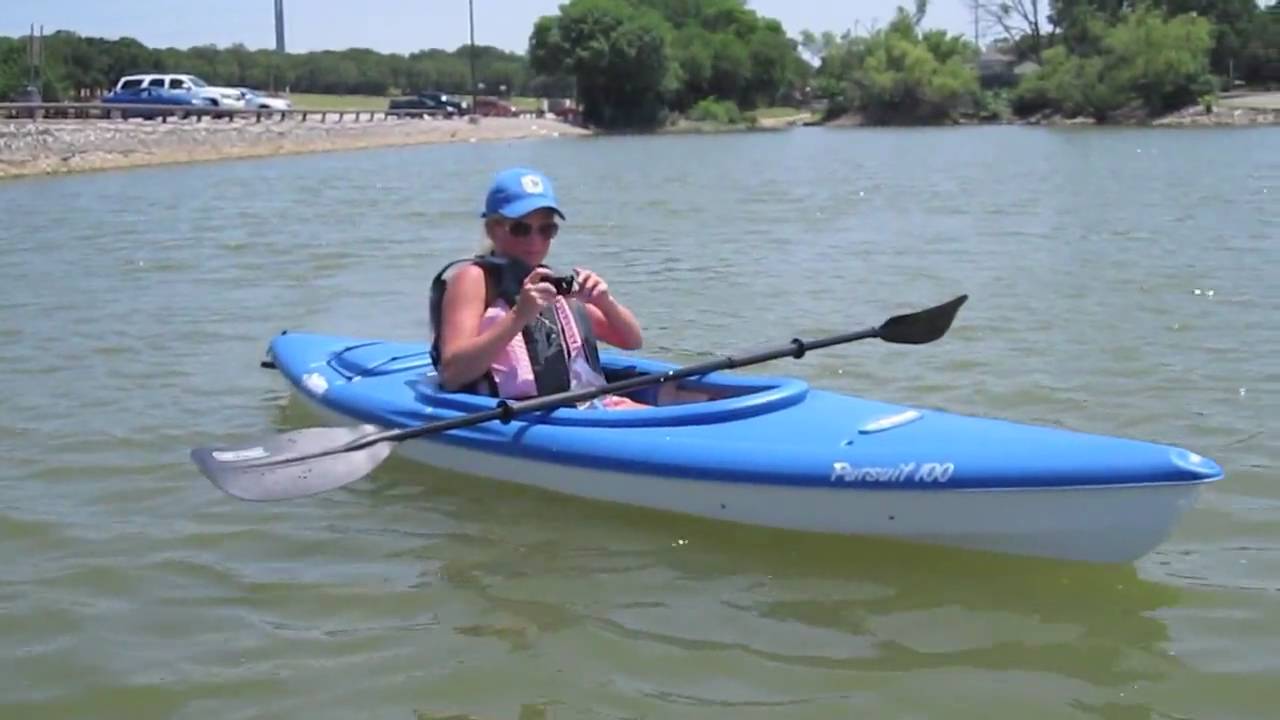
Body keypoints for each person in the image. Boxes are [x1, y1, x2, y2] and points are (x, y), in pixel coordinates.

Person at [428, 167, 649, 409]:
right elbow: (452, 374)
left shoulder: (548, 283)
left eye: (546, 229)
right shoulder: (474, 279)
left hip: (586, 408)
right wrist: (518, 316)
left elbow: (631, 340)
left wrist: (606, 302)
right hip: (522, 418)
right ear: (493, 230)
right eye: (521, 229)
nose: (535, 241)